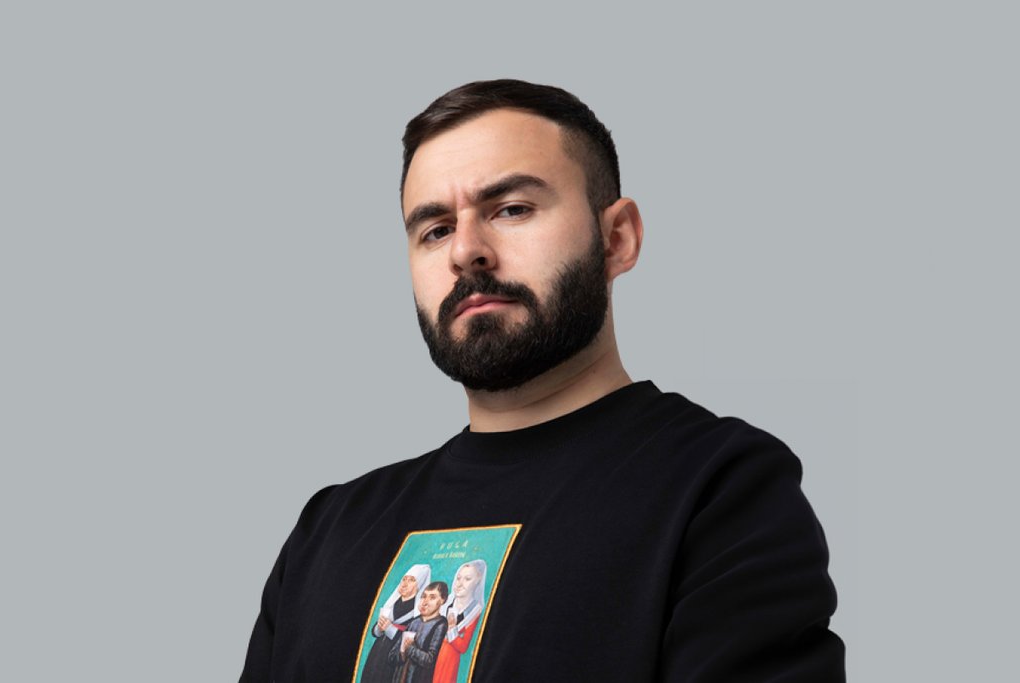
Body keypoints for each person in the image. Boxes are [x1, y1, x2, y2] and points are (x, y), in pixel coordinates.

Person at [241, 79, 846, 681]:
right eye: (436, 229)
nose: (465, 251)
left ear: (617, 239)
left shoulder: (720, 490)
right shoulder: (329, 531)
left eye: (511, 209)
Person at [360, 564, 432, 683]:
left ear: (419, 585)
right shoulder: (392, 603)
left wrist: (389, 629)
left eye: (411, 580)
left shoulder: (418, 611)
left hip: (395, 660)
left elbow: (414, 640)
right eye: (404, 579)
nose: (405, 583)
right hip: (377, 653)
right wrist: (379, 628)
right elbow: (375, 631)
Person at [432, 560, 486, 683]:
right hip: (431, 656)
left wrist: (452, 629)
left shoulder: (474, 610)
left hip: (449, 661)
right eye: (458, 578)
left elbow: (463, 647)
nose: (460, 584)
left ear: (477, 581)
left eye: (467, 579)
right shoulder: (445, 602)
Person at [389, 582, 449, 683]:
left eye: (432, 597)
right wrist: (402, 653)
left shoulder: (441, 624)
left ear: (443, 600)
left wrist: (409, 649)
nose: (425, 602)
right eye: (423, 596)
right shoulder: (413, 622)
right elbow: (391, 656)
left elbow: (430, 660)